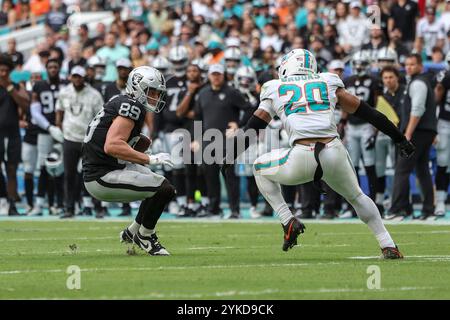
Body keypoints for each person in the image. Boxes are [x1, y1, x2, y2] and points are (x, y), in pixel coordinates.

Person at [221, 49, 414, 258]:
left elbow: (254, 126)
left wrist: (230, 154)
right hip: (333, 152)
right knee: (357, 196)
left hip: (301, 156)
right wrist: (400, 138)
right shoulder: (327, 81)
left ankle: (287, 220)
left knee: (259, 167)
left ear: (286, 66)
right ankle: (388, 245)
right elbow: (370, 113)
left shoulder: (274, 88)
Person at [82, 66, 175, 256]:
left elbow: (110, 139)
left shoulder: (121, 100)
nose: (156, 97)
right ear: (137, 87)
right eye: (152, 91)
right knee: (161, 189)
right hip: (102, 175)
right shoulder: (131, 106)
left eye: (158, 92)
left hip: (110, 166)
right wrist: (150, 158)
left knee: (164, 188)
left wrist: (139, 142)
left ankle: (132, 232)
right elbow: (113, 145)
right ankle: (145, 236)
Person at [387, 54, 437, 220]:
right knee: (422, 170)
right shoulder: (418, 82)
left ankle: (397, 210)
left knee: (402, 169)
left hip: (417, 132)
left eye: (413, 64)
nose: (409, 67)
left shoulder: (418, 83)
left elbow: (417, 109)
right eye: (407, 64)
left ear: (420, 66)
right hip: (425, 131)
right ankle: (428, 210)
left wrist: (407, 134)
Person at [55, 66, 104, 219]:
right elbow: (59, 110)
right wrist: (59, 126)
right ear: (70, 77)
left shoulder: (94, 95)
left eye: (79, 76)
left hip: (87, 139)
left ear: (84, 77)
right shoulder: (64, 92)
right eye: (74, 76)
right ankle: (69, 208)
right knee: (69, 174)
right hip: (69, 137)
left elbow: (100, 117)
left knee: (93, 173)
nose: (77, 79)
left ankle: (98, 207)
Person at [29, 58, 66, 216]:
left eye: (55, 67)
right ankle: (39, 204)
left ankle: (60, 203)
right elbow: (35, 111)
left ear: (59, 68)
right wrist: (49, 127)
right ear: (46, 69)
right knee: (43, 167)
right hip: (45, 131)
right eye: (50, 67)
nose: (53, 69)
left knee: (60, 168)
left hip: (64, 130)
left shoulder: (65, 84)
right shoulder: (39, 85)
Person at [0, 54, 30, 216]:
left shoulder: (15, 86)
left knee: (11, 169)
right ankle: (3, 199)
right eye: (1, 70)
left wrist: (10, 89)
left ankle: (11, 204)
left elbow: (26, 105)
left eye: (6, 70)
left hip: (12, 135)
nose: (3, 73)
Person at [432, 51, 450, 217]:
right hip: (445, 123)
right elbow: (436, 100)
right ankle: (441, 201)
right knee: (443, 162)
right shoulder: (444, 77)